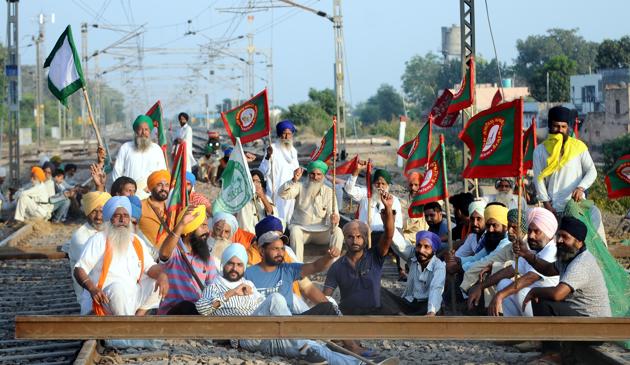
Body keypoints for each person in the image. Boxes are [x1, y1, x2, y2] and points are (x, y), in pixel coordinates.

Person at [191, 243, 365, 365]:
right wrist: (231, 293)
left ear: (244, 267)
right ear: (224, 265)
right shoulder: (214, 286)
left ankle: (359, 363)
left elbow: (264, 307)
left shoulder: (249, 285)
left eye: (239, 265)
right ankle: (301, 341)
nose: (235, 268)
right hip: (245, 336)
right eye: (230, 264)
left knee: (313, 347)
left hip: (268, 335)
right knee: (275, 299)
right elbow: (202, 308)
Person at [519, 217, 611, 362]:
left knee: (543, 299)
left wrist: (534, 291)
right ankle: (549, 349)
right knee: (542, 297)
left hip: (596, 328)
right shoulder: (568, 256)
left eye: (565, 237)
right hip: (582, 319)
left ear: (579, 242)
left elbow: (557, 294)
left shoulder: (581, 263)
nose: (559, 241)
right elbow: (549, 269)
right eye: (559, 236)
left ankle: (554, 354)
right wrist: (527, 255)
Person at [73, 196, 168, 315]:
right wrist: (92, 288)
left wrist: (162, 275)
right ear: (109, 219)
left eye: (126, 215)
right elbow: (79, 268)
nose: (122, 219)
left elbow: (149, 267)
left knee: (157, 280)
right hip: (104, 298)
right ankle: (128, 327)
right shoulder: (99, 239)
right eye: (117, 216)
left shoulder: (136, 240)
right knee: (118, 289)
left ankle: (139, 316)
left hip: (132, 296)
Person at [467, 207, 559, 317]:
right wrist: (481, 286)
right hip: (531, 300)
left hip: (547, 303)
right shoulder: (533, 250)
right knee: (503, 283)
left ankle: (533, 330)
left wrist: (499, 296)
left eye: (536, 232)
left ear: (548, 233)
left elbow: (529, 278)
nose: (531, 236)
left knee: (522, 293)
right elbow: (510, 270)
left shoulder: (552, 250)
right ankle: (514, 326)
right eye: (529, 231)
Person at [533, 106, 606, 244]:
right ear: (550, 126)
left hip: (576, 207)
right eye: (556, 126)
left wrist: (581, 188)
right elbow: (539, 180)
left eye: (563, 127)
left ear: (568, 128)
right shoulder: (540, 151)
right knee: (557, 246)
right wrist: (547, 205)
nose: (560, 130)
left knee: (585, 243)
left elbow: (592, 171)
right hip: (553, 209)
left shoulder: (579, 147)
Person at [323, 191, 395, 315]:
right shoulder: (337, 266)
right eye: (350, 237)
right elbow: (324, 298)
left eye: (359, 236)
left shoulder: (375, 256)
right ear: (344, 239)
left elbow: (389, 235)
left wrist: (388, 208)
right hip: (348, 319)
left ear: (366, 239)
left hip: (375, 317)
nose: (355, 240)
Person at [245, 230, 341, 315]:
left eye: (282, 249)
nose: (280, 253)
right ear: (262, 251)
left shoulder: (288, 269)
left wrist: (328, 257)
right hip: (264, 326)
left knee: (328, 306)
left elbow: (315, 266)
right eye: (275, 249)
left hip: (290, 322)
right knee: (276, 298)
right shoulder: (248, 274)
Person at [460, 208, 527, 305]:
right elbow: (486, 262)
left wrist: (493, 267)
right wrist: (468, 286)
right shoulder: (509, 247)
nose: (510, 231)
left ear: (523, 229)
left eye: (514, 227)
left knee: (497, 277)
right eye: (509, 226)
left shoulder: (530, 247)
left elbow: (519, 267)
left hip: (527, 288)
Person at [279, 160, 343, 262]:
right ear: (308, 174)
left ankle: (334, 265)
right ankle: (298, 268)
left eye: (319, 174)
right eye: (312, 174)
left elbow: (333, 213)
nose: (315, 177)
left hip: (322, 231)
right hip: (302, 230)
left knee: (338, 231)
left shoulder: (329, 192)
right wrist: (293, 180)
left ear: (323, 176)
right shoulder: (299, 186)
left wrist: (334, 219)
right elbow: (283, 194)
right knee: (295, 231)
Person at [158, 205, 218, 314]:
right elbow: (164, 254)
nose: (207, 231)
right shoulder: (175, 249)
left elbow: (213, 288)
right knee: (186, 306)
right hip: (171, 315)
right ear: (189, 229)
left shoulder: (207, 258)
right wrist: (182, 224)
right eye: (203, 225)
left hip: (196, 314)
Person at [64, 191, 111, 302]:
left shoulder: (110, 229)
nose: (99, 217)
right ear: (87, 212)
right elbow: (95, 269)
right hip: (91, 294)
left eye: (102, 211)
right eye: (94, 211)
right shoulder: (80, 237)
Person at [387, 230, 446, 315]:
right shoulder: (413, 256)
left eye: (426, 247)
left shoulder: (439, 266)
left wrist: (431, 312)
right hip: (410, 302)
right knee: (382, 294)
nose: (421, 250)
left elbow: (436, 288)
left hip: (427, 305)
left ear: (434, 250)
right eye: (419, 246)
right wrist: (389, 222)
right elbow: (399, 244)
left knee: (437, 307)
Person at [112, 115, 167, 200]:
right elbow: (117, 171)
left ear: (149, 131)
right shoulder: (126, 148)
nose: (143, 132)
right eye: (140, 129)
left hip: (150, 195)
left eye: (146, 129)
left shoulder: (156, 149)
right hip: (129, 196)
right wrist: (121, 191)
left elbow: (162, 173)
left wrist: (153, 186)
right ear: (136, 131)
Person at [446, 203, 510, 275]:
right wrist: (457, 260)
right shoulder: (491, 239)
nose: (490, 229)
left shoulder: (506, 242)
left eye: (494, 225)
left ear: (505, 226)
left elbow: (486, 261)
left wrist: (459, 268)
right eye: (488, 225)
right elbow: (477, 257)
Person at [259, 120, 300, 224]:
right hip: (275, 193)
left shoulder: (293, 151)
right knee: (276, 220)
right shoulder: (272, 149)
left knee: (289, 219)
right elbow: (262, 171)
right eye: (284, 133)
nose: (286, 136)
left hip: (289, 192)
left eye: (289, 134)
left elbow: (296, 169)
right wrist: (268, 156)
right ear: (279, 134)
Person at [344, 162, 404, 234]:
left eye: (383, 184)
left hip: (384, 236)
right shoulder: (366, 194)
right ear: (373, 184)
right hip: (365, 235)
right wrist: (356, 171)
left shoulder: (394, 200)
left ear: (388, 186)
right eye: (377, 183)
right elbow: (349, 190)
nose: (380, 187)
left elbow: (398, 224)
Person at [237, 169, 277, 234]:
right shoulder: (242, 198)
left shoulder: (266, 198)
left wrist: (263, 197)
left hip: (263, 234)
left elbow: (271, 213)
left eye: (258, 181)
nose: (255, 184)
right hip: (246, 235)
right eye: (253, 181)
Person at [139, 170, 171, 248]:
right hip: (150, 256)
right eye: (159, 185)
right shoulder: (140, 206)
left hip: (173, 256)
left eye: (167, 185)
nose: (163, 188)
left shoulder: (173, 207)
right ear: (151, 187)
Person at [402, 172, 429, 244]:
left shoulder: (427, 200)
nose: (413, 188)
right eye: (411, 185)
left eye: (416, 185)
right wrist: (415, 217)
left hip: (426, 239)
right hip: (408, 239)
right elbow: (403, 225)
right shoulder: (403, 202)